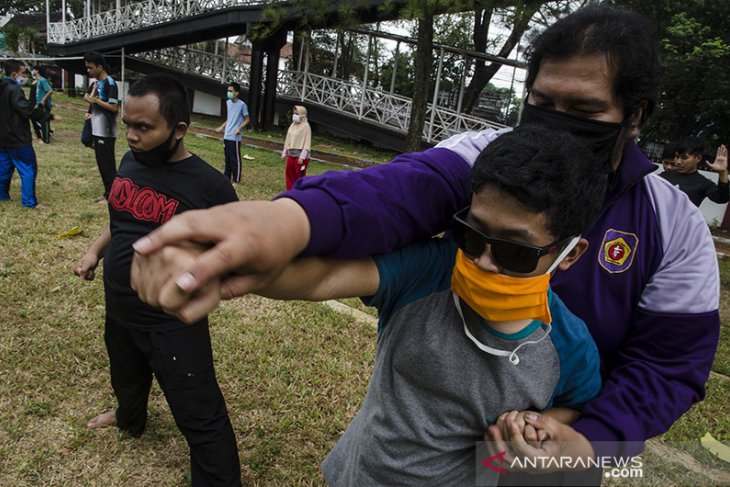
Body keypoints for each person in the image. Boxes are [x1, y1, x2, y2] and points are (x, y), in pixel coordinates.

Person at [131, 4, 720, 468]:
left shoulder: (672, 227)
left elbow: (670, 369)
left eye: (584, 112)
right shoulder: (485, 161)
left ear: (635, 115)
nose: (488, 263)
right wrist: (279, 223)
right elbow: (395, 191)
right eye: (541, 102)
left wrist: (588, 442)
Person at [256, 125, 605, 485]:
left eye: (514, 251)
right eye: (473, 235)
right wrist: (240, 267)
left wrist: (544, 425)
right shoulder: (432, 272)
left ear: (569, 254)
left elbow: (577, 406)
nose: (484, 261)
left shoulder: (570, 346)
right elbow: (323, 277)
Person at [73, 74, 242, 486]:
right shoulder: (133, 161)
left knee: (201, 415)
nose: (130, 136)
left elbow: (237, 250)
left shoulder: (210, 186)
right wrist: (94, 251)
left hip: (170, 322)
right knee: (125, 376)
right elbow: (123, 219)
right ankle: (129, 417)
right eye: (128, 124)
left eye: (144, 128)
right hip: (119, 306)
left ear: (178, 130)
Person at [0, 60, 39, 208]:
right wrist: (43, 115)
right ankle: (29, 202)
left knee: (3, 169)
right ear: (15, 74)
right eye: (23, 73)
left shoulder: (2, 88)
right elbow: (25, 109)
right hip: (18, 137)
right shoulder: (14, 90)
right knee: (28, 168)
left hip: (3, 137)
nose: (24, 77)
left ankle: (2, 195)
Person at [84, 51, 119, 203]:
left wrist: (95, 101)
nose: (88, 71)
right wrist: (89, 109)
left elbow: (113, 107)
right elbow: (91, 100)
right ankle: (109, 192)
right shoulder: (95, 83)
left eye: (90, 68)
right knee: (88, 142)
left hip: (106, 128)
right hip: (95, 125)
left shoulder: (110, 83)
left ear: (99, 67)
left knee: (106, 164)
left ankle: (111, 195)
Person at [660, 136, 729, 207]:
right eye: (677, 157)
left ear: (698, 158)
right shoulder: (663, 177)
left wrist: (723, 173)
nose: (678, 162)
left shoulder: (703, 183)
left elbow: (721, 198)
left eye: (684, 158)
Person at [215, 82, 249, 184]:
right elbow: (229, 118)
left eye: (231, 91)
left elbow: (247, 119)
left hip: (235, 137)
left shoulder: (242, 105)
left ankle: (236, 180)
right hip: (227, 135)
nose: (228, 93)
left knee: (235, 159)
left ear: (236, 93)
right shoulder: (228, 103)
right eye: (228, 90)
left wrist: (239, 128)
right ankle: (227, 178)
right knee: (228, 159)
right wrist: (222, 127)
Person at [281, 105, 312, 189]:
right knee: (289, 173)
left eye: (297, 114)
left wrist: (302, 157)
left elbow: (307, 143)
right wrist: (284, 152)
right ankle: (290, 190)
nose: (295, 116)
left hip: (300, 156)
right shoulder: (293, 125)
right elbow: (288, 139)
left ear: (302, 115)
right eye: (294, 113)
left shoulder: (306, 127)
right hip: (291, 154)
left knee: (299, 175)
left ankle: (298, 191)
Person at [34, 66, 54, 145]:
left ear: (37, 71)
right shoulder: (39, 80)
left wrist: (43, 100)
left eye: (34, 70)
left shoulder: (42, 80)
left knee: (44, 121)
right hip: (39, 104)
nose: (33, 71)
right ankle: (49, 132)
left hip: (44, 105)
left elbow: (50, 91)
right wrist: (37, 103)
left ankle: (46, 139)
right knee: (36, 118)